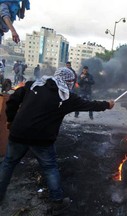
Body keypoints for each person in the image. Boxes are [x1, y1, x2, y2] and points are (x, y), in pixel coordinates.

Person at [0, 67, 114, 214]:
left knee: (8, 163)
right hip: (42, 139)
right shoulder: (66, 97)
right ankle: (57, 201)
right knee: (49, 168)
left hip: (18, 133)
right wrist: (107, 105)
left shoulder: (33, 85)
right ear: (69, 81)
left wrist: (11, 120)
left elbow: (13, 100)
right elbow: (90, 105)